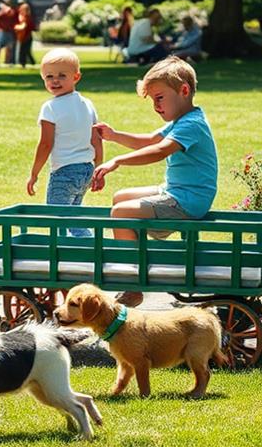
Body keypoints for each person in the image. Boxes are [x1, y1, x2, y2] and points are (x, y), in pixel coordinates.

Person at [91, 57, 217, 306]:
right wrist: (114, 135)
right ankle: (141, 259)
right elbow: (150, 140)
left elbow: (159, 151)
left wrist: (117, 161)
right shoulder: (184, 120)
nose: (155, 106)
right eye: (152, 100)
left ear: (184, 91)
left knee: (120, 213)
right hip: (179, 193)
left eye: (159, 97)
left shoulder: (191, 125)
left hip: (186, 202)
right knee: (120, 199)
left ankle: (133, 285)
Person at [26, 49, 102, 237]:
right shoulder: (88, 104)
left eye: (62, 75)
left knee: (57, 218)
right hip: (85, 170)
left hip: (64, 171)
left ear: (76, 77)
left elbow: (45, 144)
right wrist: (98, 168)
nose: (55, 81)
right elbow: (96, 139)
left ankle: (72, 252)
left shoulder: (50, 107)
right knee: (73, 216)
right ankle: (81, 251)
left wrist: (34, 173)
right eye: (49, 76)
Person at [0, 0, 17, 67]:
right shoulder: (3, 12)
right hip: (3, 31)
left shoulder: (11, 11)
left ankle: (7, 62)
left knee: (9, 47)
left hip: (10, 31)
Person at [15, 2, 37, 67]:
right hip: (25, 36)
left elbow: (24, 26)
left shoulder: (26, 18)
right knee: (26, 51)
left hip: (26, 36)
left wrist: (16, 27)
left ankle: (24, 63)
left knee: (23, 51)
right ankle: (30, 62)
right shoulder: (25, 17)